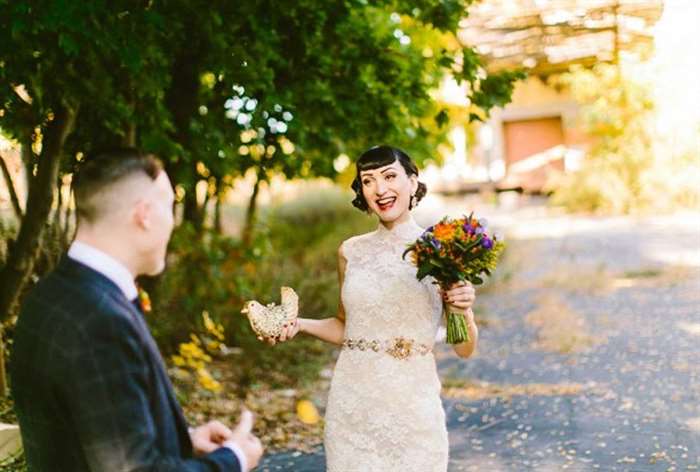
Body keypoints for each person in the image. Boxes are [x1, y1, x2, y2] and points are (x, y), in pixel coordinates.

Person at [10, 149, 263, 471]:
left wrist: (184, 439)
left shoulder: (49, 294)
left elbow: (96, 428)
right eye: (169, 206)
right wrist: (233, 459)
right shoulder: (101, 321)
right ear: (144, 215)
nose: (172, 222)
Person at [269, 145, 479, 471]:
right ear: (362, 192)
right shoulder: (350, 252)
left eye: (390, 176)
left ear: (412, 182)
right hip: (352, 408)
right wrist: (299, 324)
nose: (380, 189)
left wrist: (463, 309)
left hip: (413, 408)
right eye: (368, 181)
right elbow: (345, 328)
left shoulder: (444, 251)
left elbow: (465, 349)